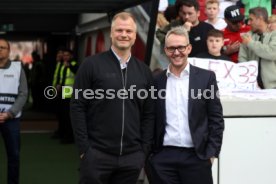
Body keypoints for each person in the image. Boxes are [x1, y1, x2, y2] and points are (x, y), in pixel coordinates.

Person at [70, 12, 155, 184]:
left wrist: (143, 151)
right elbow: (77, 106)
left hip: (132, 158)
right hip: (97, 155)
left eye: (129, 31)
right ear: (111, 33)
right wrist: (84, 148)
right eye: (119, 30)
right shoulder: (91, 65)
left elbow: (149, 113)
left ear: (135, 35)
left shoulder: (144, 71)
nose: (124, 35)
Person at [146, 26, 224, 184]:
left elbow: (216, 118)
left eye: (181, 47)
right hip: (163, 159)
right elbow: (149, 118)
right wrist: (150, 157)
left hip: (197, 157)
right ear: (165, 50)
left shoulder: (206, 78)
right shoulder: (156, 81)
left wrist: (211, 153)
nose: (176, 52)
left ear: (189, 48)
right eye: (171, 48)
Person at [0, 38, 28, 184]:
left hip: (11, 120)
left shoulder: (17, 68)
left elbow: (23, 93)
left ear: (9, 50)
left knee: (14, 156)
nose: (0, 50)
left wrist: (10, 113)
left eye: (2, 47)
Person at [239, 7, 276, 89]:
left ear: (260, 19)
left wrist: (250, 43)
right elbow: (242, 60)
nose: (249, 23)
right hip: (251, 86)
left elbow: (272, 53)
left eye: (251, 19)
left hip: (273, 87)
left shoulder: (274, 34)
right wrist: (249, 81)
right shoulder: (247, 36)